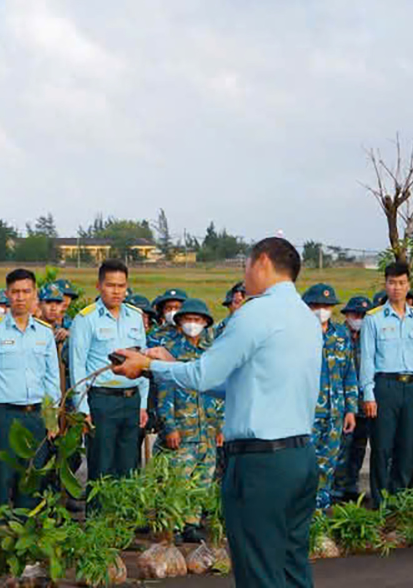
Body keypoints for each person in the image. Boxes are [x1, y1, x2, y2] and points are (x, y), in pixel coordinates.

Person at [112, 237, 321, 588]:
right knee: (291, 567)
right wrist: (172, 363)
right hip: (299, 458)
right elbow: (235, 385)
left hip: (261, 464)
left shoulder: (255, 313)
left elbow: (204, 373)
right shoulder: (305, 317)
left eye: (246, 265)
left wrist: (149, 365)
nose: (244, 274)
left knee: (260, 573)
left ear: (263, 262)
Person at [0, 269, 60, 516]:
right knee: (0, 478)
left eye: (26, 292)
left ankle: (27, 538)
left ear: (35, 295)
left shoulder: (44, 333)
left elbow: (51, 379)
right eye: (15, 292)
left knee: (32, 478)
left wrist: (51, 419)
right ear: (7, 295)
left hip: (36, 415)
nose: (20, 297)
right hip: (4, 416)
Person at [361, 262, 413, 506]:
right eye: (392, 282)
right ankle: (381, 501)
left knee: (407, 445)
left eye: (401, 283)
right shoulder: (374, 318)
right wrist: (368, 394)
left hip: (412, 387)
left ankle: (399, 499)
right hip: (385, 387)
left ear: (408, 285)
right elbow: (367, 358)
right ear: (386, 284)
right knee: (382, 446)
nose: (397, 287)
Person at [70, 260, 148, 486]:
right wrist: (82, 408)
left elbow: (142, 361)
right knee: (102, 467)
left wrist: (142, 402)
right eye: (111, 285)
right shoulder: (86, 319)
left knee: (129, 467)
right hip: (102, 400)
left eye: (121, 286)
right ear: (99, 286)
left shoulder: (135, 316)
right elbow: (77, 367)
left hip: (131, 399)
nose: (116, 291)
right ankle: (98, 520)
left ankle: (125, 521)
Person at [154, 298, 219, 543]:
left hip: (207, 428)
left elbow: (217, 388)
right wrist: (169, 426)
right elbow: (164, 392)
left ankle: (192, 523)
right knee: (178, 479)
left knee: (202, 478)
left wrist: (219, 425)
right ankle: (175, 525)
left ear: (205, 323)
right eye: (188, 320)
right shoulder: (170, 350)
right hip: (183, 428)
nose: (193, 324)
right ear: (180, 322)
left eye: (198, 320)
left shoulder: (210, 352)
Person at [302, 284, 358, 510]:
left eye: (326, 306)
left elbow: (349, 375)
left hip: (336, 412)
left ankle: (321, 511)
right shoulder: (299, 335)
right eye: (317, 306)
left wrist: (351, 410)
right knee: (306, 464)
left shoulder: (341, 336)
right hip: (307, 412)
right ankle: (302, 510)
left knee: (329, 464)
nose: (322, 310)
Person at [333, 295, 372, 501]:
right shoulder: (338, 336)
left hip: (365, 402)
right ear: (347, 315)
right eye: (355, 314)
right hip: (342, 403)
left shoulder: (371, 337)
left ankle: (351, 487)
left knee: (359, 448)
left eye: (363, 315)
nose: (358, 318)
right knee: (341, 447)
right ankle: (336, 489)